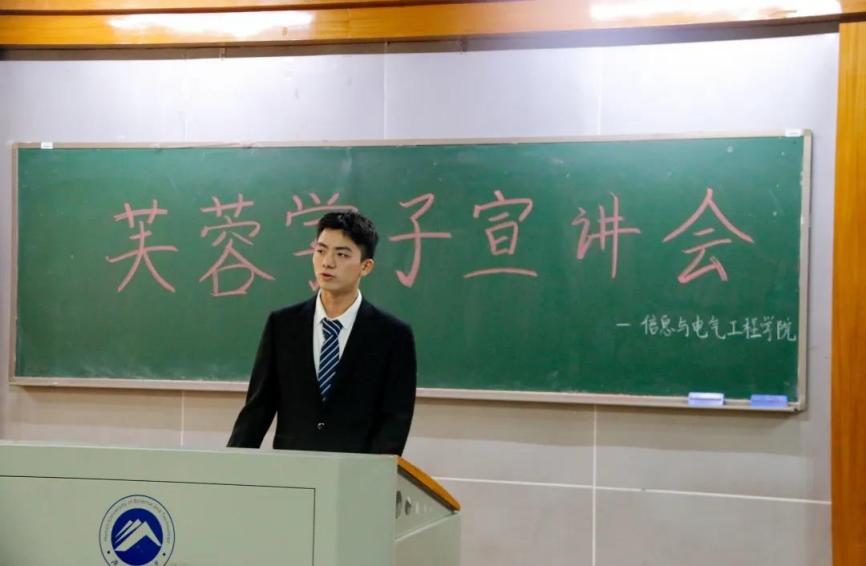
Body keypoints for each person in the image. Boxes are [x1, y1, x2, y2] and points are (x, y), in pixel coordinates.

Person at [227, 211, 416, 455]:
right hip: (293, 468)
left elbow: (395, 420)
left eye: (341, 254)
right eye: (321, 250)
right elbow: (258, 408)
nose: (327, 262)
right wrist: (232, 465)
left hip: (354, 470)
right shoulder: (282, 325)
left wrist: (372, 473)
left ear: (366, 266)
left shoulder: (393, 335)